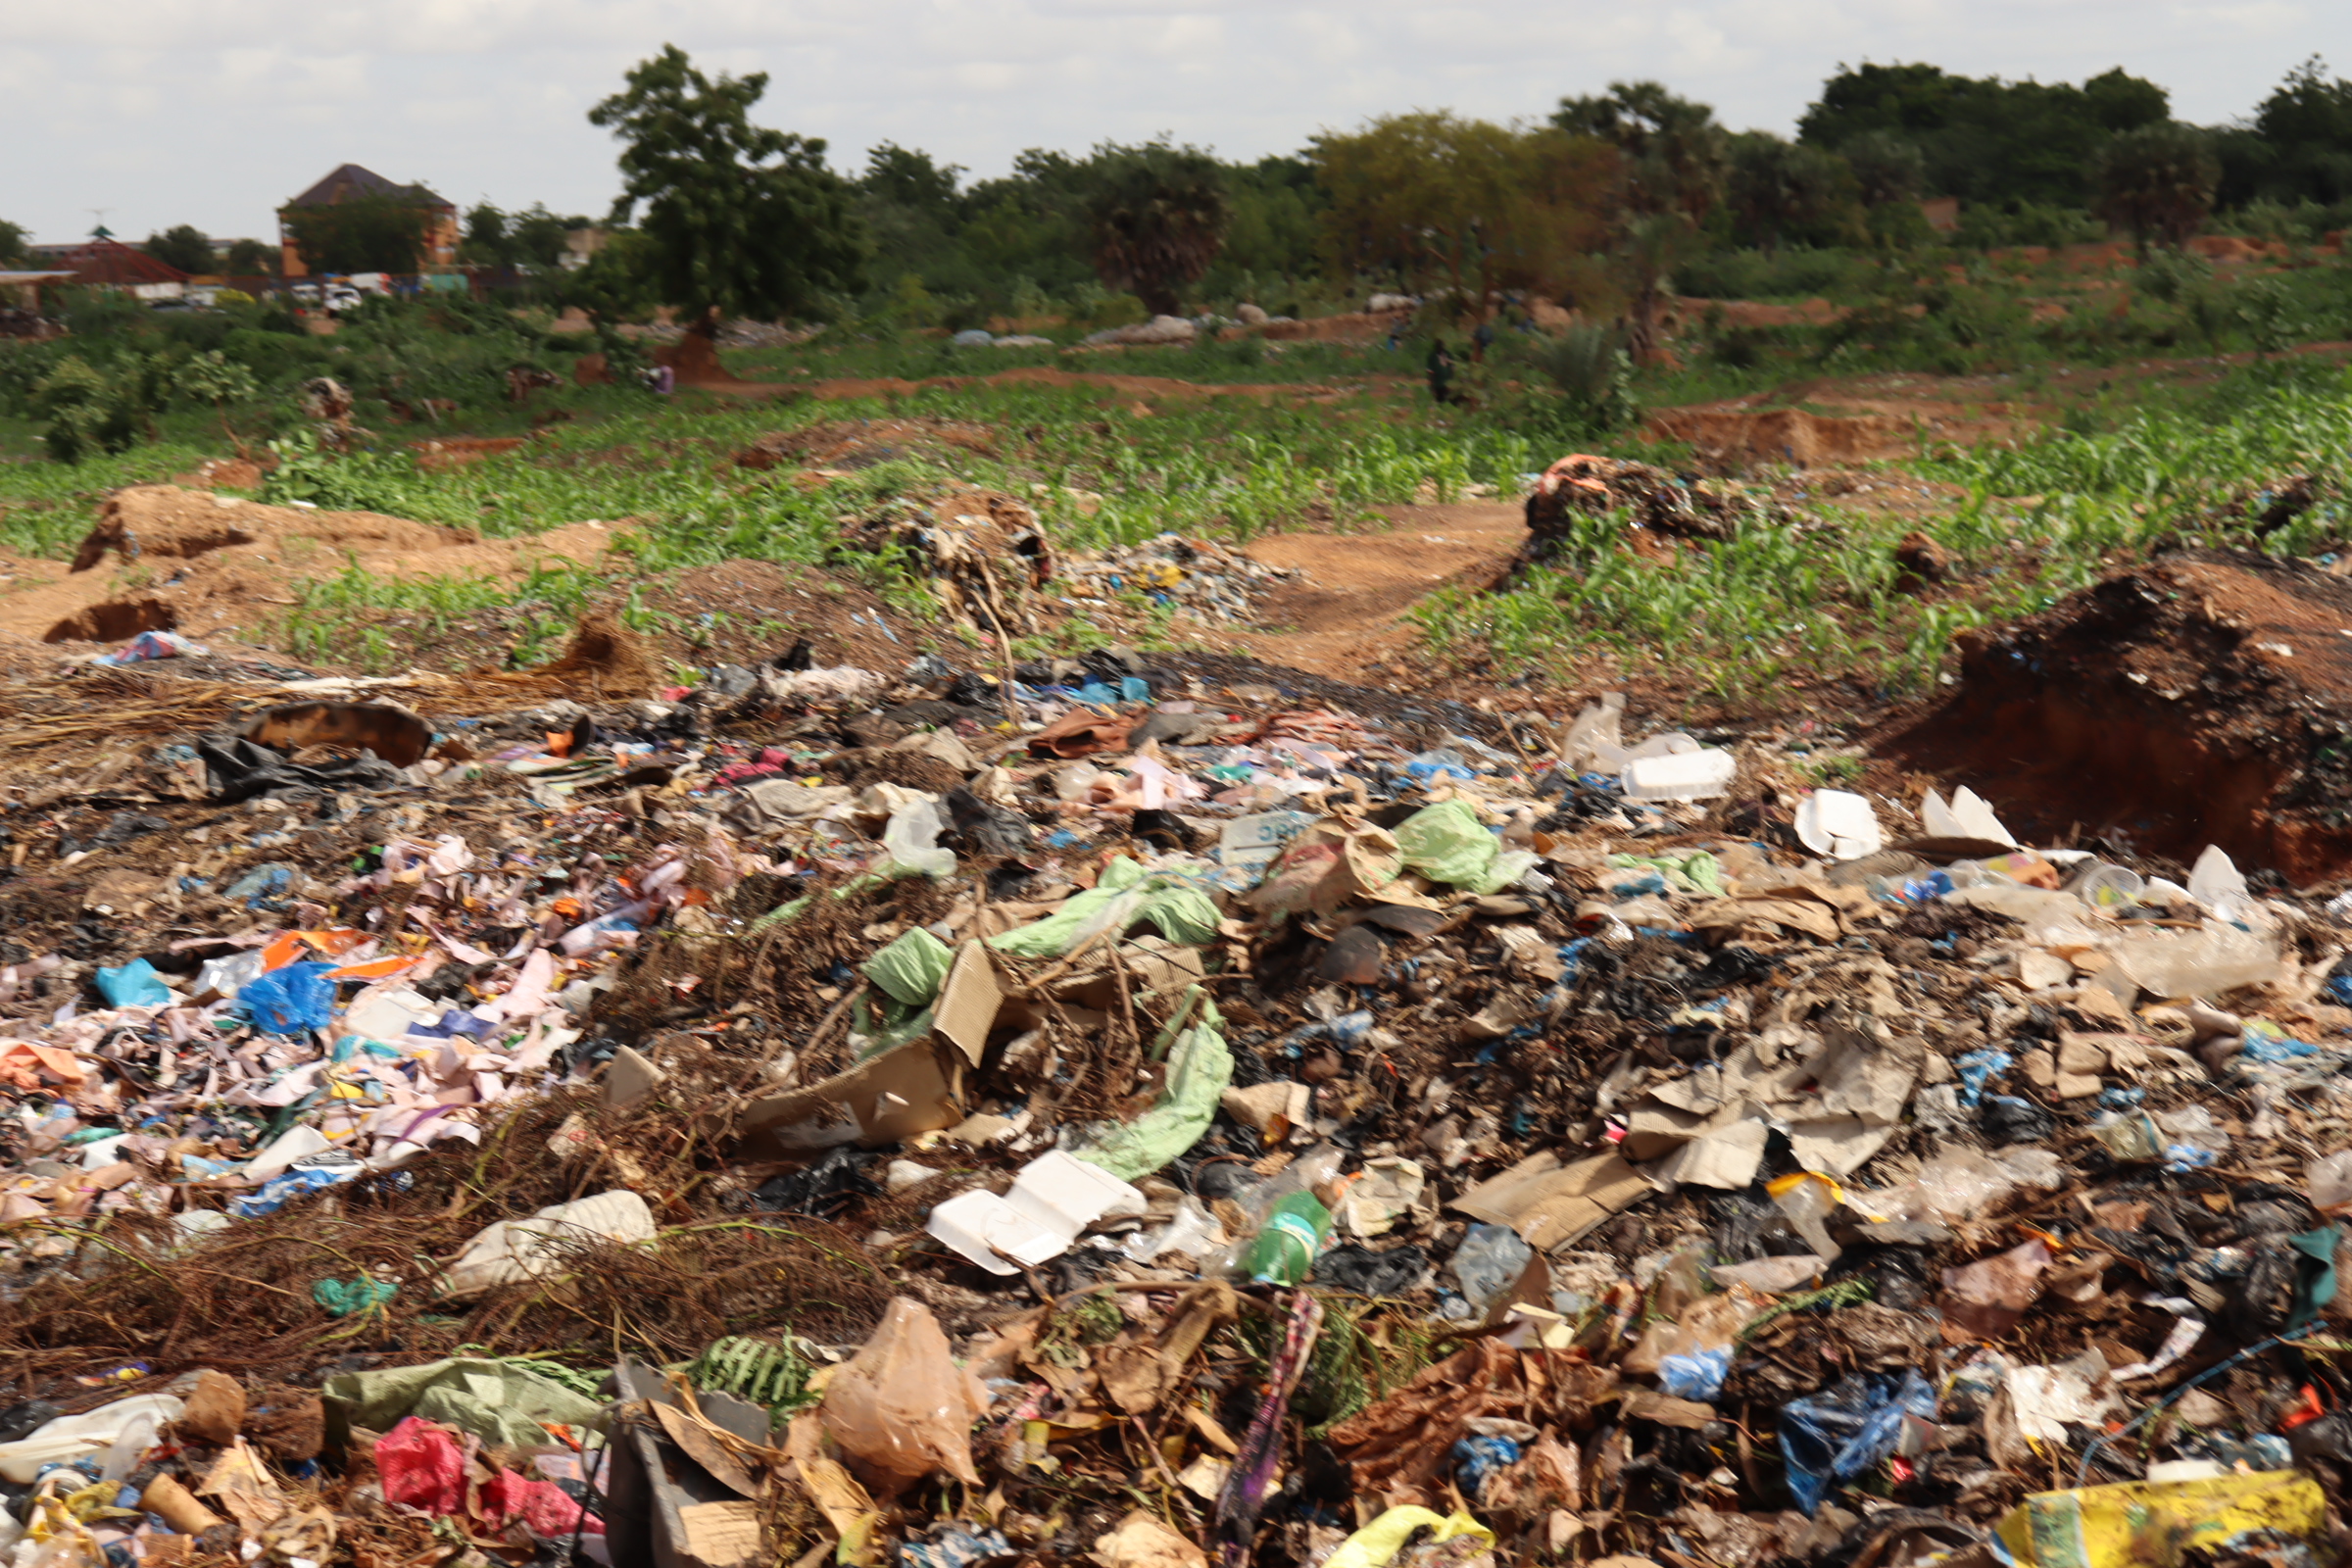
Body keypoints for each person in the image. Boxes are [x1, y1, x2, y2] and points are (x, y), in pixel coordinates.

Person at [1426, 338, 1457, 405]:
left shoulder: (1448, 355)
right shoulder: (1432, 357)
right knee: (1440, 401)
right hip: (1438, 384)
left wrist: (1452, 382)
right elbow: (1430, 373)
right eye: (1438, 346)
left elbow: (1453, 369)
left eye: (1440, 345)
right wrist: (1432, 386)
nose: (1439, 347)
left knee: (1451, 400)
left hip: (1448, 383)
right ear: (1435, 346)